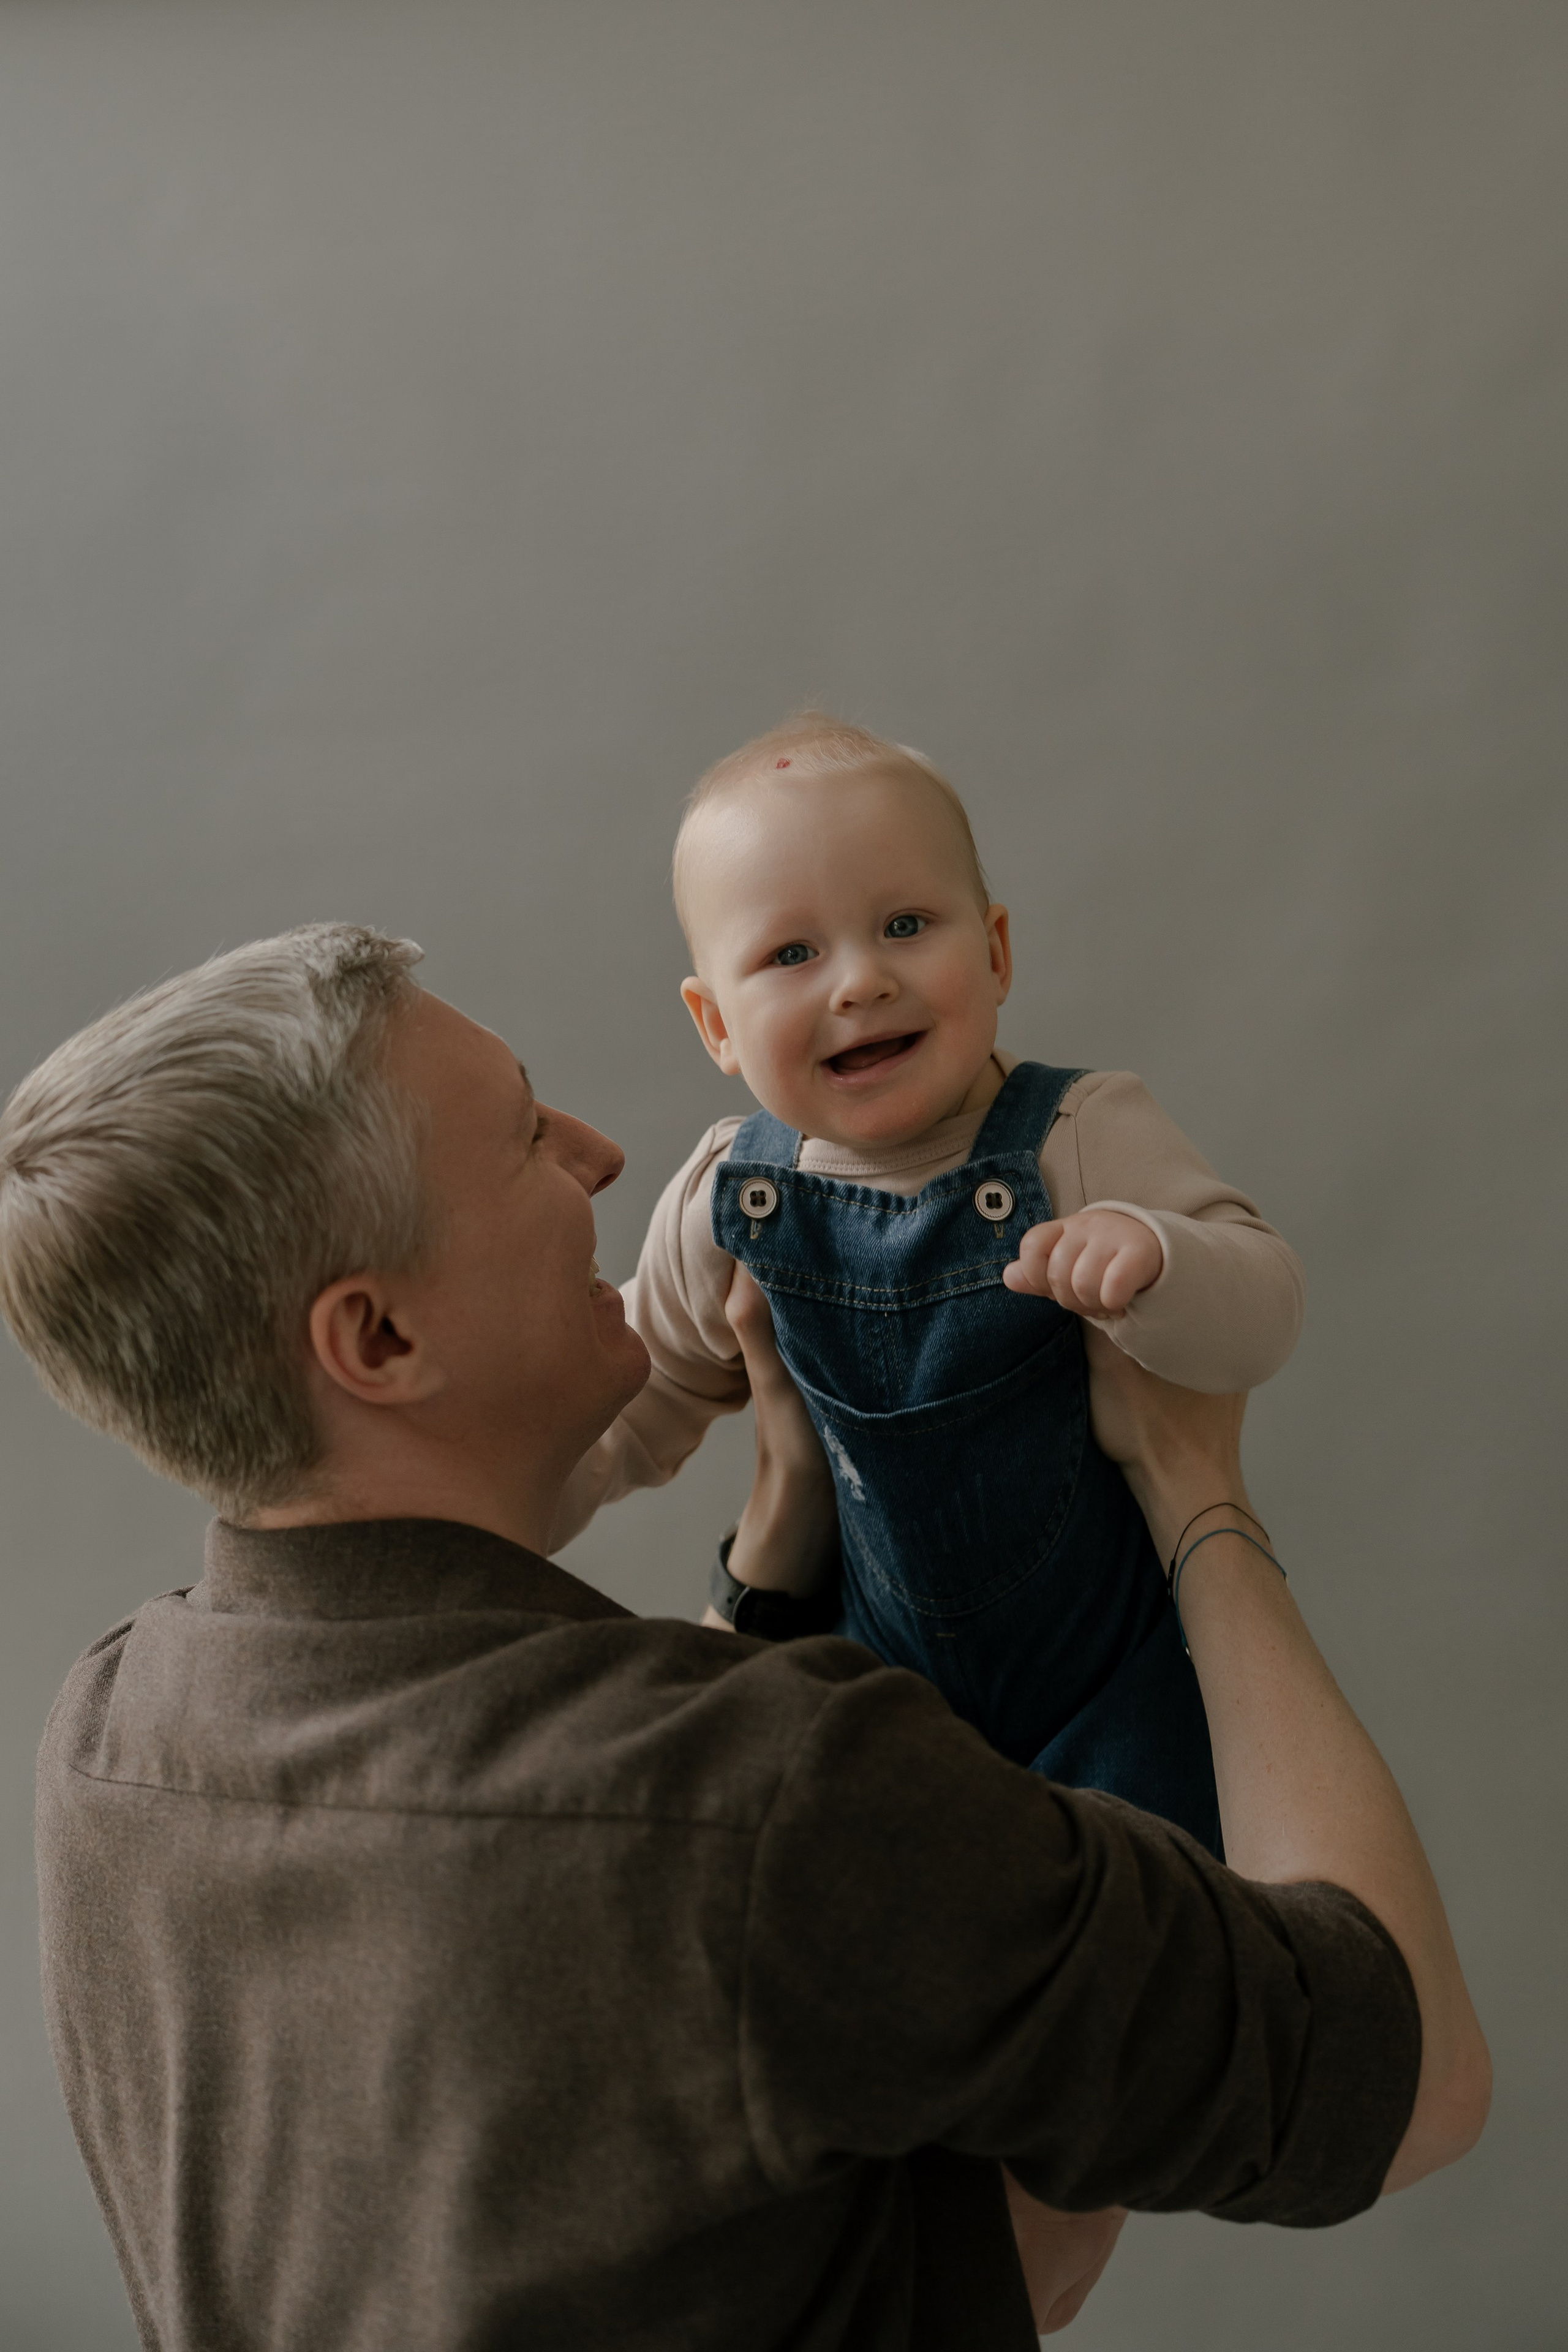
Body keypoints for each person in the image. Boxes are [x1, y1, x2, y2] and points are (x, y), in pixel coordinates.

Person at [1, 924, 1487, 2350]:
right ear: (377, 1340)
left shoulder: (109, 1740)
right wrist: (1193, 1490)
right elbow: (1401, 2071)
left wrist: (776, 1547)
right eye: (524, 1136)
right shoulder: (782, 1796)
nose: (599, 1154)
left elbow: (651, 2047)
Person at [548, 712, 1305, 1852]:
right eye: (792, 954)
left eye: (905, 925)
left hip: (1108, 1675)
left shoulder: (1076, 1136)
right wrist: (505, 1508)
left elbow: (1264, 1315)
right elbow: (621, 1415)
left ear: (996, 952)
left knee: (1159, 1930)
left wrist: (1161, 1262)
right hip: (870, 1680)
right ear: (715, 1023)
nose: (862, 981)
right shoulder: (731, 1198)